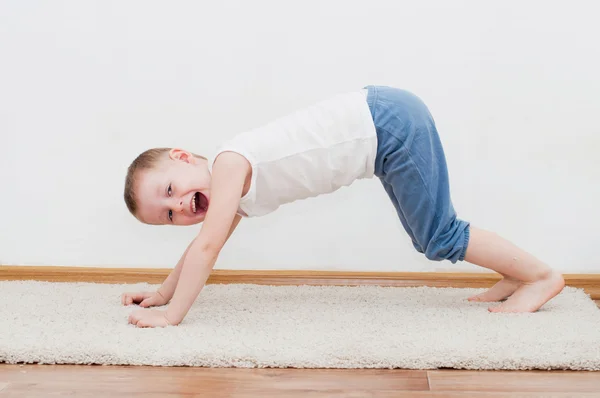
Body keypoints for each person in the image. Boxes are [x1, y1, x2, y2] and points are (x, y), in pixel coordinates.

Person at [121, 85, 565, 328]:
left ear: (182, 156)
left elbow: (206, 249)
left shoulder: (230, 164)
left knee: (437, 235)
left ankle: (541, 276)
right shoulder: (230, 191)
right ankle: (514, 273)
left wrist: (171, 316)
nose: (180, 207)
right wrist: (161, 294)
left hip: (388, 122)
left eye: (170, 191)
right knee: (428, 235)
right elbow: (201, 245)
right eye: (170, 215)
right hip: (383, 130)